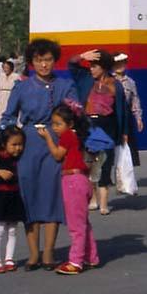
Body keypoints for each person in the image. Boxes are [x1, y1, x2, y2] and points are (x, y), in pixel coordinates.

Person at [0, 38, 79, 270]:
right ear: (31, 62)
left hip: (55, 146)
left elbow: (76, 114)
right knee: (29, 197)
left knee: (51, 196)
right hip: (27, 145)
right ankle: (32, 254)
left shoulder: (65, 85)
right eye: (39, 60)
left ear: (54, 60)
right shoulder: (22, 86)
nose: (44, 65)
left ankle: (49, 253)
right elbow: (9, 116)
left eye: (48, 60)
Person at [37, 102, 99, 274]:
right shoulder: (77, 136)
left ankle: (76, 261)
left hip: (72, 181)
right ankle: (90, 256)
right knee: (83, 222)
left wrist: (48, 138)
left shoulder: (67, 136)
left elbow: (57, 155)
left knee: (76, 226)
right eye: (53, 124)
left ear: (69, 124)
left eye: (58, 124)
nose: (55, 128)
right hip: (82, 180)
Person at [68, 49, 129, 216]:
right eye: (91, 66)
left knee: (105, 163)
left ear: (104, 67)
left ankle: (103, 203)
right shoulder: (85, 78)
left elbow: (122, 109)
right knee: (89, 163)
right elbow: (71, 65)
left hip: (108, 126)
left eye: (95, 66)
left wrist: (124, 131)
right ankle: (93, 199)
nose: (92, 69)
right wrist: (81, 56)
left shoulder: (115, 84)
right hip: (88, 125)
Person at [0, 127, 26, 273]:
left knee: (13, 230)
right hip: (0, 196)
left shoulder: (20, 159)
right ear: (4, 144)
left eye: (20, 144)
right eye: (14, 145)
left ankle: (9, 258)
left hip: (15, 196)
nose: (18, 148)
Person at [113, 53, 144, 166]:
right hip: (112, 116)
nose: (120, 65)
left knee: (127, 147)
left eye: (122, 63)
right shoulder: (109, 80)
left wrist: (138, 118)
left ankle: (126, 174)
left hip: (126, 117)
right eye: (117, 63)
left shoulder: (130, 82)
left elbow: (135, 100)